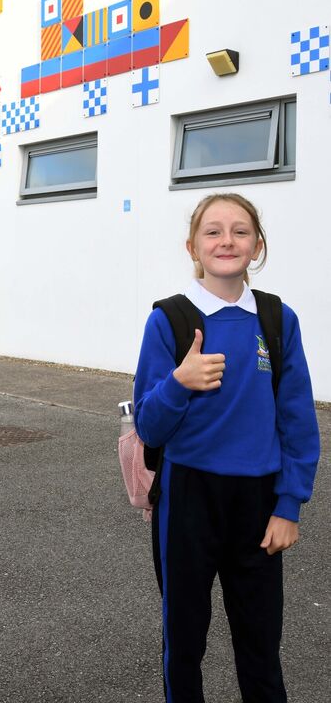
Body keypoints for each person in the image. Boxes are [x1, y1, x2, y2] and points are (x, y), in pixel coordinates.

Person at [133, 192, 320, 703]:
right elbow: (150, 427)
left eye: (240, 230)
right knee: (184, 640)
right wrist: (179, 381)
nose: (226, 240)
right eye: (212, 231)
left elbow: (298, 421)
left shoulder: (278, 320)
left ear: (257, 245)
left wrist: (289, 505)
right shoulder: (168, 320)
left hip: (259, 503)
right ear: (192, 245)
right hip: (188, 497)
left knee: (260, 645)